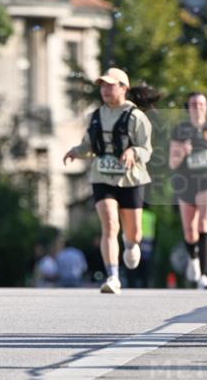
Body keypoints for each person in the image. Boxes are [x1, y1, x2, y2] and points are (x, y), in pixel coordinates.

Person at [64, 66, 152, 295]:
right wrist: (76, 151)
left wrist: (133, 152)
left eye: (110, 84)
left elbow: (147, 149)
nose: (104, 89)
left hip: (131, 178)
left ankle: (131, 245)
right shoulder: (95, 115)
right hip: (102, 176)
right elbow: (89, 146)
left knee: (133, 233)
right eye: (102, 84)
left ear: (124, 88)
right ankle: (113, 276)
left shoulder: (137, 117)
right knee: (110, 224)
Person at [169, 92, 207, 290]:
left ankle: (203, 276)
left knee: (204, 224)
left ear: (206, 106)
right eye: (193, 103)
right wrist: (182, 152)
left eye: (201, 103)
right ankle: (193, 257)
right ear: (188, 107)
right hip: (186, 182)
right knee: (189, 231)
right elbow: (173, 163)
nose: (197, 107)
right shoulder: (180, 130)